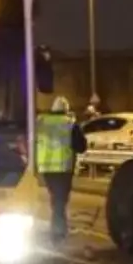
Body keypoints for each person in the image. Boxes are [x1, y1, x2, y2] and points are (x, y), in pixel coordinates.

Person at [35, 96, 88, 245]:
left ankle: (60, 228)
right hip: (63, 168)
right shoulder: (69, 123)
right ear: (66, 109)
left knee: (56, 198)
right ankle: (58, 232)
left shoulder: (42, 122)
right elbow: (81, 147)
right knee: (60, 200)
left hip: (47, 168)